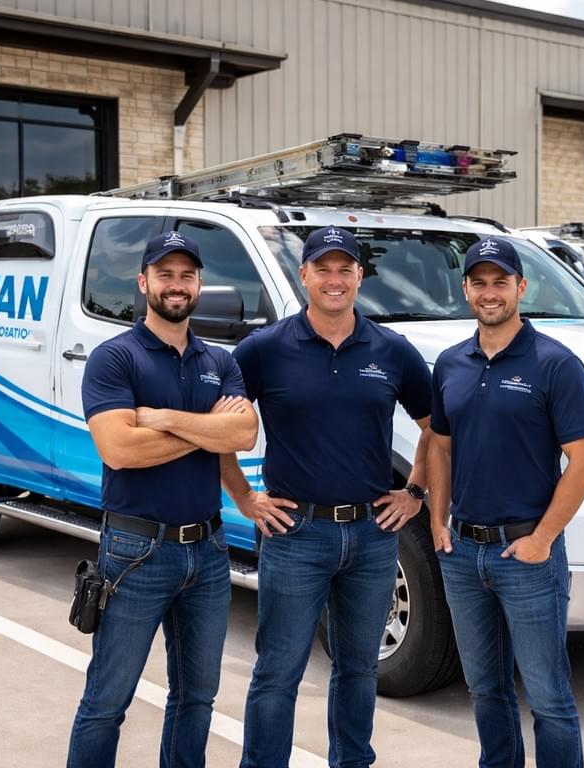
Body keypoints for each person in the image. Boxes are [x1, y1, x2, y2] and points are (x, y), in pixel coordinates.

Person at [220, 225, 432, 768]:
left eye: (345, 269)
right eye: (323, 269)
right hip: (296, 535)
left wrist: (415, 492)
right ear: (304, 275)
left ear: (360, 276)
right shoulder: (264, 350)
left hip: (372, 535)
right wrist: (244, 497)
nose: (334, 280)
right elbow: (217, 424)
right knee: (278, 671)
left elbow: (438, 426)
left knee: (359, 668)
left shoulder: (392, 350)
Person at [68, 230, 259, 768]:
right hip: (135, 551)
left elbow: (243, 436)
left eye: (187, 276)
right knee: (107, 701)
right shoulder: (115, 358)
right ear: (143, 281)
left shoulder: (219, 361)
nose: (176, 286)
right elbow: (120, 448)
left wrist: (166, 420)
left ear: (199, 284)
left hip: (209, 552)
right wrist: (206, 429)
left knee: (197, 699)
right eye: (165, 274)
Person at [427, 236, 584, 768]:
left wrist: (543, 539)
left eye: (500, 281)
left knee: (549, 698)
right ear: (465, 290)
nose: (489, 292)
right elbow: (440, 445)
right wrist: (437, 522)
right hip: (463, 553)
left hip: (527, 555)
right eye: (478, 282)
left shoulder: (555, 364)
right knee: (486, 690)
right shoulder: (450, 363)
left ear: (521, 288)